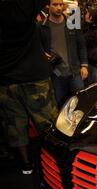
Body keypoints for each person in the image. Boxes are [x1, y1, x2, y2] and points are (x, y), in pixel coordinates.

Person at [0, 0, 58, 174]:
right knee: (48, 124)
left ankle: (26, 165)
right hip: (34, 76)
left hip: (5, 79)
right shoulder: (24, 5)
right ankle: (53, 163)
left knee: (15, 126)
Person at [38, 0, 88, 108]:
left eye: (61, 4)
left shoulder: (72, 23)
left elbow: (81, 44)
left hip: (75, 71)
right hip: (56, 74)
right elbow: (37, 48)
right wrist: (42, 55)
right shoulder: (41, 26)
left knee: (81, 103)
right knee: (60, 105)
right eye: (55, 5)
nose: (59, 8)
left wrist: (84, 65)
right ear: (48, 6)